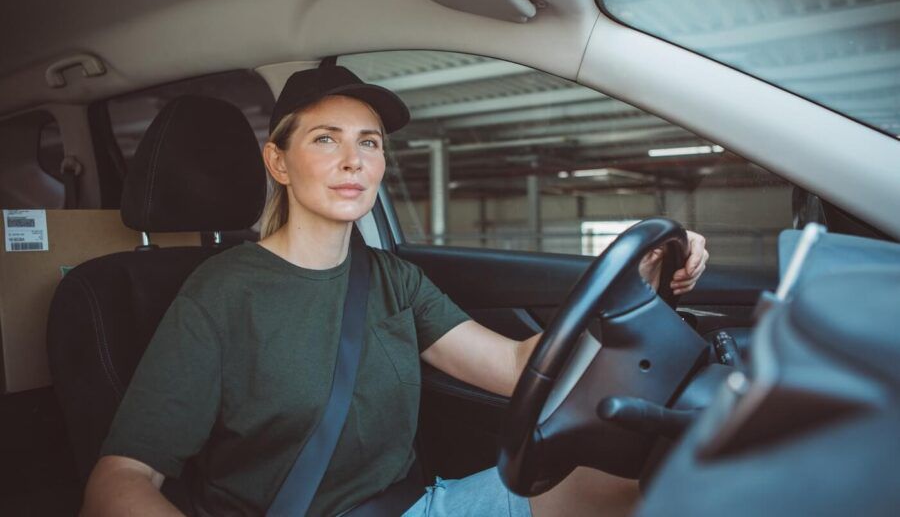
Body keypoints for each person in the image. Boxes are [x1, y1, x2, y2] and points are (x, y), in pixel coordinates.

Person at [81, 66, 709, 517]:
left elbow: (520, 367)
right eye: (325, 138)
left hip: (421, 508)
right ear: (278, 163)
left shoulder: (391, 279)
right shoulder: (222, 293)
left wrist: (642, 279)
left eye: (370, 142)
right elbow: (119, 481)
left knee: (652, 480)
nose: (353, 160)